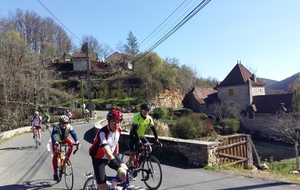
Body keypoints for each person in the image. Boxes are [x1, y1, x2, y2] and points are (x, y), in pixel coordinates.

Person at [89, 110, 127, 190]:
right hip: (98, 158)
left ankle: (113, 185)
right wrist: (118, 167)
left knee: (125, 169)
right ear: (108, 121)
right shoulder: (102, 133)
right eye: (113, 121)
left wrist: (117, 157)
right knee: (102, 185)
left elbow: (116, 142)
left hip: (111, 155)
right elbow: (107, 152)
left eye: (118, 121)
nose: (116, 124)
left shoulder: (118, 130)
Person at [51, 115, 80, 181]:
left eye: (66, 123)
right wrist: (55, 142)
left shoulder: (69, 126)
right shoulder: (56, 126)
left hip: (64, 139)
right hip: (56, 141)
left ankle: (66, 160)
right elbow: (54, 134)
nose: (64, 125)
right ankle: (55, 172)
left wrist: (77, 141)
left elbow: (73, 134)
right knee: (55, 155)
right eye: (62, 123)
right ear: (60, 123)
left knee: (72, 144)